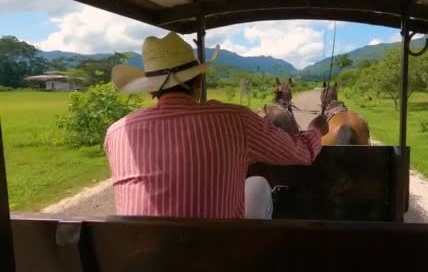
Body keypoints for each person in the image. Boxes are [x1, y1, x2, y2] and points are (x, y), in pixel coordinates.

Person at [105, 32, 328, 219]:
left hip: (137, 259)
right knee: (258, 183)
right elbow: (304, 153)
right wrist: (317, 129)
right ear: (199, 80)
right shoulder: (235, 119)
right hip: (219, 258)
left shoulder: (115, 132)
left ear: (150, 89)